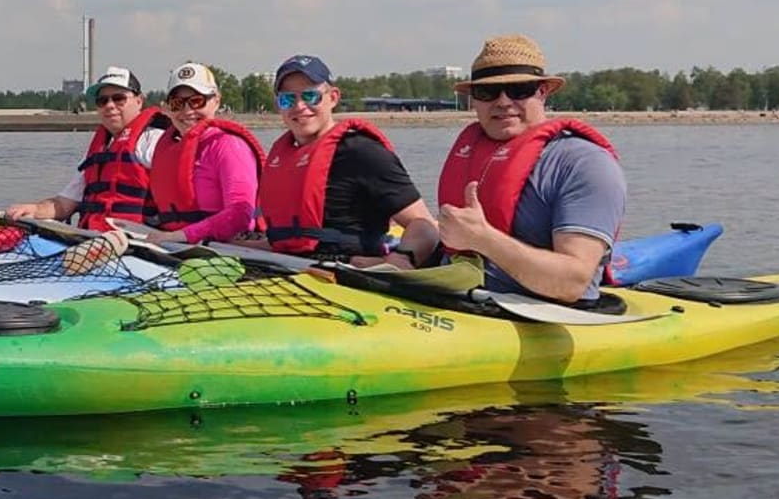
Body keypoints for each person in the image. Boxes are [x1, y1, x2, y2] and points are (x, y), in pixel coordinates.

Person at [435, 34, 626, 304]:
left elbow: (572, 283)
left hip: (545, 314)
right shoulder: (471, 152)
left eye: (519, 89)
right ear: (473, 100)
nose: (502, 102)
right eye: (487, 92)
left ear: (543, 92)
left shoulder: (585, 165)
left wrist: (484, 239)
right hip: (462, 301)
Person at [253, 54, 440, 267]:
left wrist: (402, 258)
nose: (299, 106)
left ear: (333, 97)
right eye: (288, 99)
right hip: (289, 266)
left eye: (311, 96)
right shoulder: (282, 158)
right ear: (279, 106)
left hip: (348, 272)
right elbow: (282, 241)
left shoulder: (362, 152)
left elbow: (424, 225)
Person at [5, 67, 163, 230]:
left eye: (118, 98)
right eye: (102, 101)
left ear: (139, 101)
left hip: (138, 242)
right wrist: (34, 209)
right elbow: (63, 204)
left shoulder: (154, 141)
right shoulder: (98, 150)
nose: (109, 105)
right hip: (93, 236)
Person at [137, 63, 262, 245]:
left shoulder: (229, 147)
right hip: (173, 247)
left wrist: (182, 236)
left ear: (216, 101)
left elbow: (240, 216)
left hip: (221, 251)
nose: (187, 111)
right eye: (177, 103)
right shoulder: (166, 147)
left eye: (197, 101)